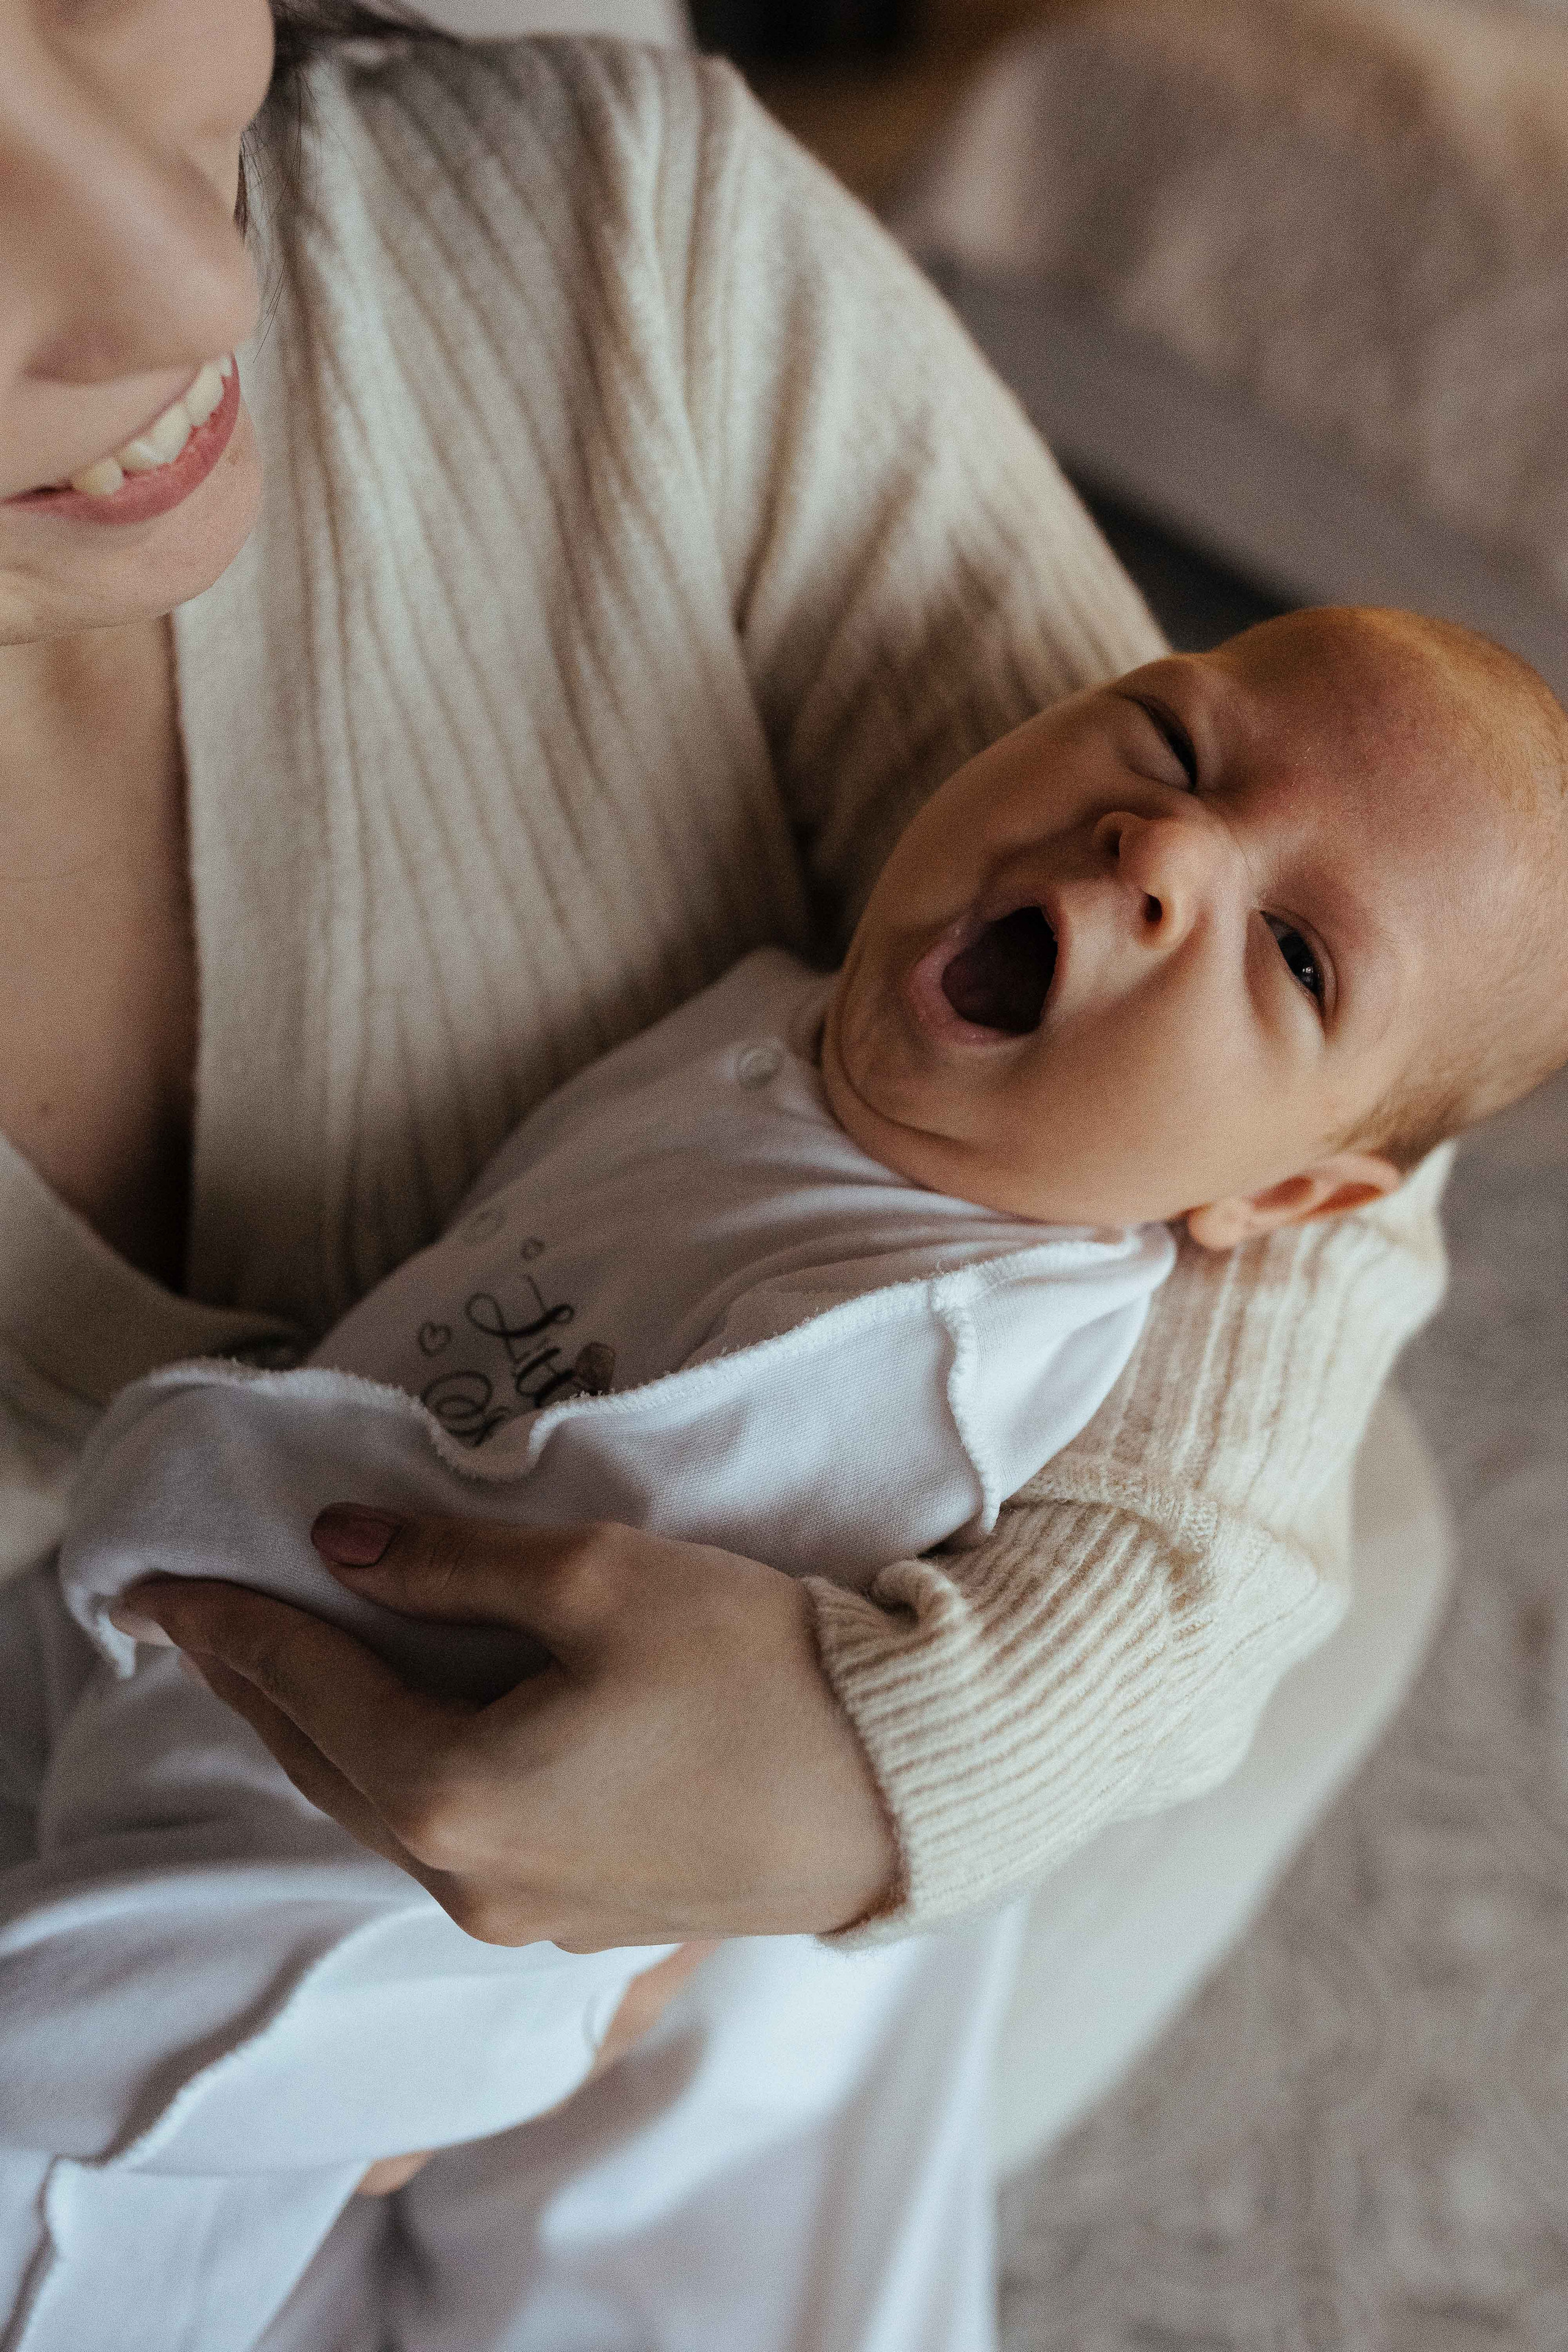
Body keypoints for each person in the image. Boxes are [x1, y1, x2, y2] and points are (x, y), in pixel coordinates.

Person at [0, 9, 1460, 2348]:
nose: (186, 282)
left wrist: (886, 1771)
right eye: (1166, 741)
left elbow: (1366, 1161)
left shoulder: (626, 249)